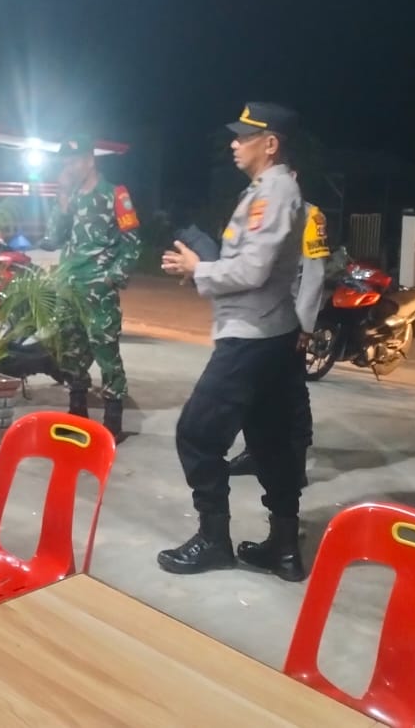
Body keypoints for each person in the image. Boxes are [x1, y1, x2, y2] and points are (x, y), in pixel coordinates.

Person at [157, 102, 310, 582]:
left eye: (244, 136)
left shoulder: (274, 191)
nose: (234, 143)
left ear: (271, 144)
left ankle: (214, 540)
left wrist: (199, 268)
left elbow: (252, 270)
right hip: (269, 334)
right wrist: (203, 268)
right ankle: (283, 547)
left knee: (197, 433)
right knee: (270, 441)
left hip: (251, 338)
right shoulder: (267, 190)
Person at [39, 134, 141, 439]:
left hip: (98, 289)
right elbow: (53, 238)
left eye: (74, 161)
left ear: (89, 160)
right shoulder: (69, 197)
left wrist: (111, 278)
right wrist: (61, 200)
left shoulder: (115, 195)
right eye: (65, 162)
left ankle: (113, 419)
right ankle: (77, 412)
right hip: (69, 286)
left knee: (105, 348)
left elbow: (132, 244)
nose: (68, 167)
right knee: (70, 349)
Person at [227, 176, 329, 480]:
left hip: (288, 321)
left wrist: (305, 326)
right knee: (251, 388)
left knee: (291, 393)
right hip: (253, 319)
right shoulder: (253, 208)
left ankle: (295, 463)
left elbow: (314, 274)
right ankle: (255, 453)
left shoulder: (310, 215)